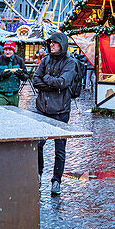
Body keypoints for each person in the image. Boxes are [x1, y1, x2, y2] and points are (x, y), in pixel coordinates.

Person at [31, 32, 78, 197]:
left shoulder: (70, 63)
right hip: (42, 109)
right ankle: (38, 174)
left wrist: (47, 79)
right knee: (37, 144)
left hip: (60, 111)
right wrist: (52, 83)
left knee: (60, 149)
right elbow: (35, 80)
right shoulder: (45, 60)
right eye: (50, 42)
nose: (51, 45)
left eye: (55, 43)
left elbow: (63, 82)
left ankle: (56, 180)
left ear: (62, 44)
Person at [0, 41, 28, 106]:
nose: (7, 52)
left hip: (14, 95)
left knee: (13, 114)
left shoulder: (19, 60)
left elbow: (26, 77)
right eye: (6, 50)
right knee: (1, 115)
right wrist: (1, 76)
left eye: (10, 50)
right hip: (1, 94)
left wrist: (21, 75)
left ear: (13, 50)